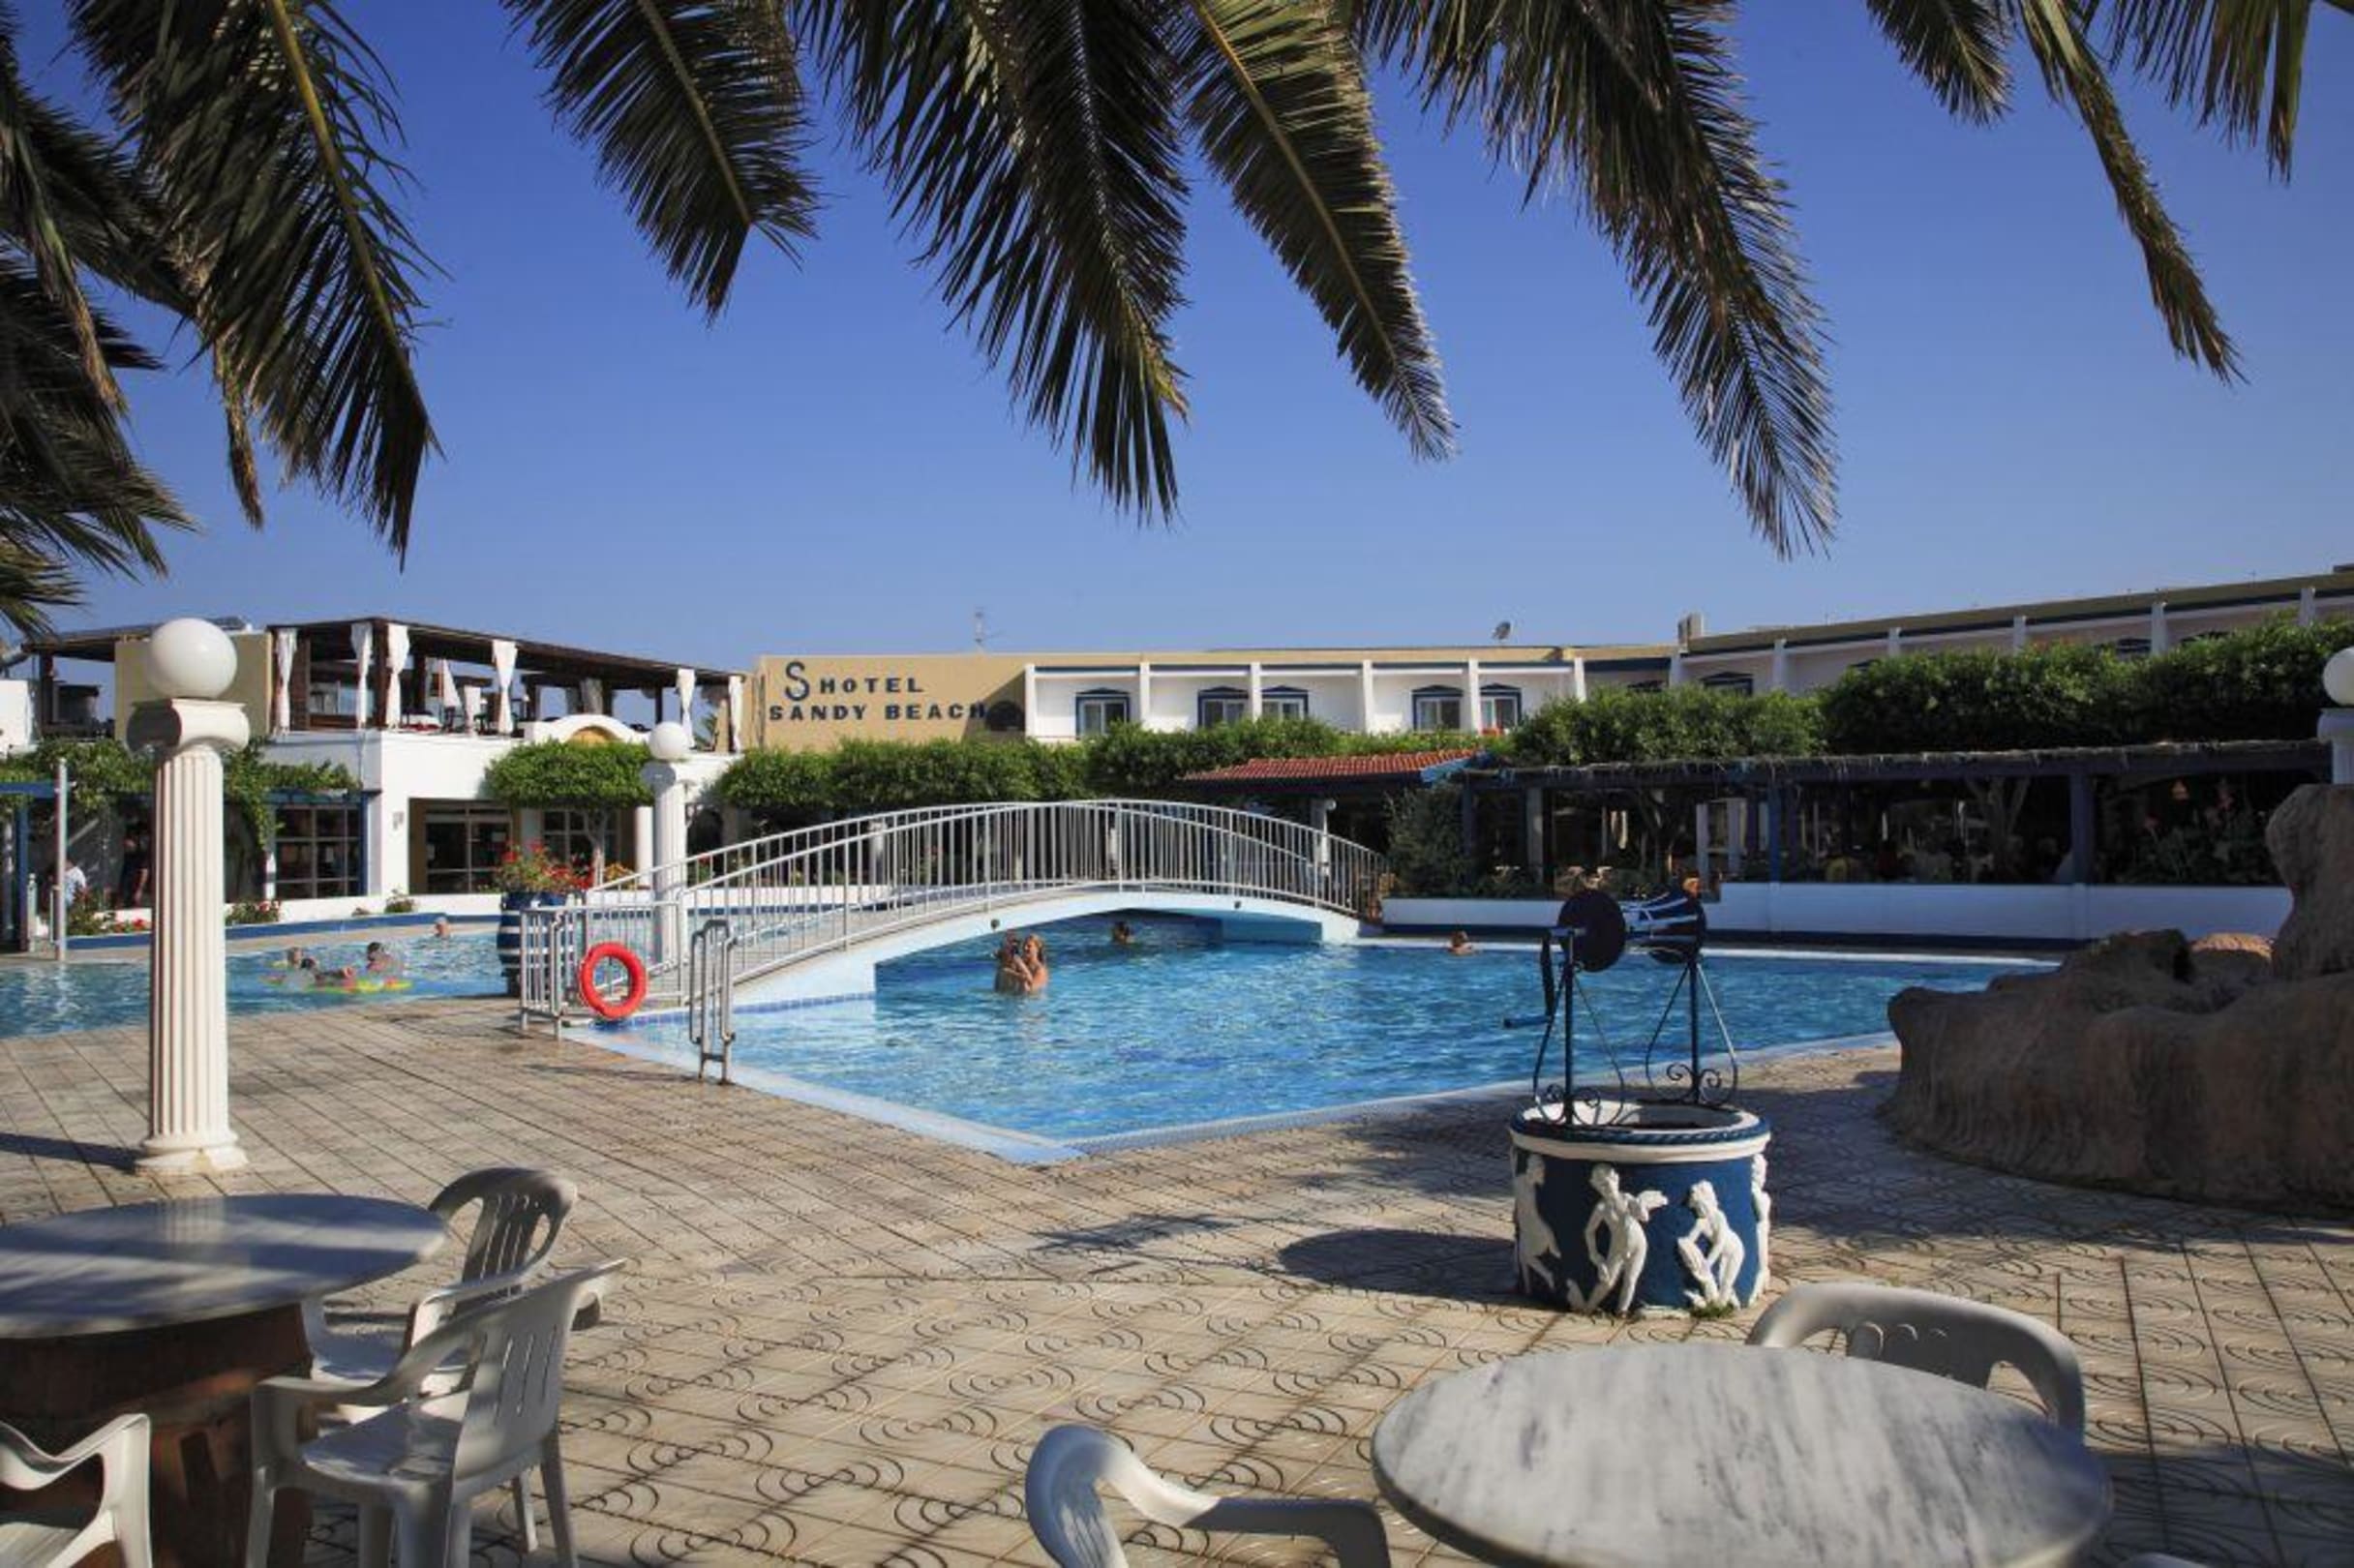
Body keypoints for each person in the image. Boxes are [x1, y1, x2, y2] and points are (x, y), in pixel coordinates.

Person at [116, 831, 151, 907]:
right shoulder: (127, 856)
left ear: (134, 842)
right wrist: (121, 892)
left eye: (128, 844)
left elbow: (145, 873)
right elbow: (124, 874)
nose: (126, 846)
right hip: (126, 890)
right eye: (125, 845)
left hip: (136, 889)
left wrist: (140, 890)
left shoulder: (141, 856)